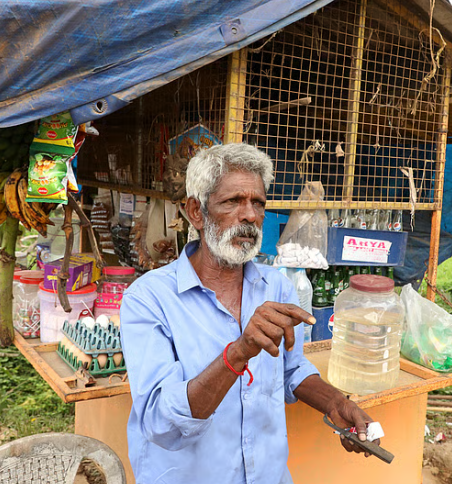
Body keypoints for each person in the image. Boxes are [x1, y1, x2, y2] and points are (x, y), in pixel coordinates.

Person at [120, 143, 380, 484]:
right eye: (233, 202)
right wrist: (238, 353)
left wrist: (334, 402)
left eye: (258, 203)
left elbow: (291, 368)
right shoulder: (149, 298)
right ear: (196, 212)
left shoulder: (278, 288)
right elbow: (158, 420)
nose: (250, 215)